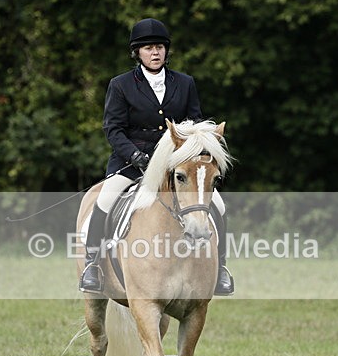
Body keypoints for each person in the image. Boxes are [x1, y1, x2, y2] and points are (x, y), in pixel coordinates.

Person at [79, 18, 234, 295]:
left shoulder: (184, 83)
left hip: (177, 165)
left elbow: (195, 123)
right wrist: (134, 154)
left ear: (166, 50)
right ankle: (93, 264)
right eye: (148, 48)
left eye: (160, 47)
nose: (155, 53)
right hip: (132, 163)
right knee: (104, 199)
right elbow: (113, 129)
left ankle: (221, 267)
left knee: (219, 206)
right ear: (137, 52)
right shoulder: (121, 85)